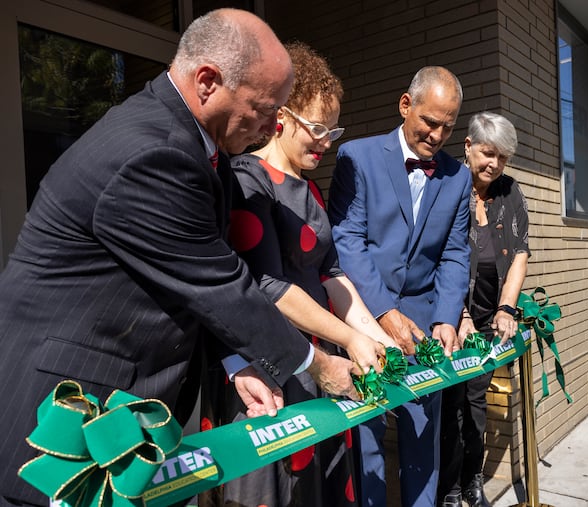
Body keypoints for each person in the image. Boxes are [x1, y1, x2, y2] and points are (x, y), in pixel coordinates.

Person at [0, 10, 364, 507]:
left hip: (117, 409)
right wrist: (316, 362)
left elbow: (183, 279)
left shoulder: (193, 146)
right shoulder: (154, 151)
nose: (267, 126)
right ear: (209, 81)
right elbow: (217, 284)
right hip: (65, 418)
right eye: (262, 108)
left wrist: (237, 362)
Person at [220, 41, 393, 507]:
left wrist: (377, 338)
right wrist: (351, 338)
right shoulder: (247, 178)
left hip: (325, 362)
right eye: (316, 128)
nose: (324, 141)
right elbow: (270, 286)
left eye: (332, 131)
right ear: (282, 116)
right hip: (276, 365)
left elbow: (333, 276)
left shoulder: (311, 188)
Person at [328, 66, 472, 507]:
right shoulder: (356, 156)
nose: (437, 134)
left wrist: (448, 316)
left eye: (448, 126)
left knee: (421, 436)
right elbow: (347, 242)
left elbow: (454, 254)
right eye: (430, 121)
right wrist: (384, 314)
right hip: (365, 320)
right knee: (366, 436)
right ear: (405, 105)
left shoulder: (458, 176)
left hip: (426, 328)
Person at [437, 112, 529, 507]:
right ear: (469, 147)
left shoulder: (510, 192)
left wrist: (507, 308)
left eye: (502, 157)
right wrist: (459, 316)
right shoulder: (448, 185)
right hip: (450, 316)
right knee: (449, 406)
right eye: (488, 153)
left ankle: (472, 481)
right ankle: (449, 489)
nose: (494, 163)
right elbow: (439, 258)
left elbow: (521, 252)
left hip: (490, 320)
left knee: (476, 403)